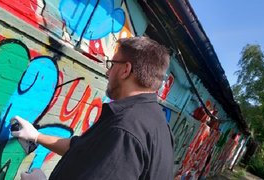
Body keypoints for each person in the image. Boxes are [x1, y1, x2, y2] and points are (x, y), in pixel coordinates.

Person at [11, 36, 174, 180]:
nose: (107, 72)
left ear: (126, 70)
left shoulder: (125, 129)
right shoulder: (157, 125)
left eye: (112, 64)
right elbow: (80, 150)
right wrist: (36, 136)